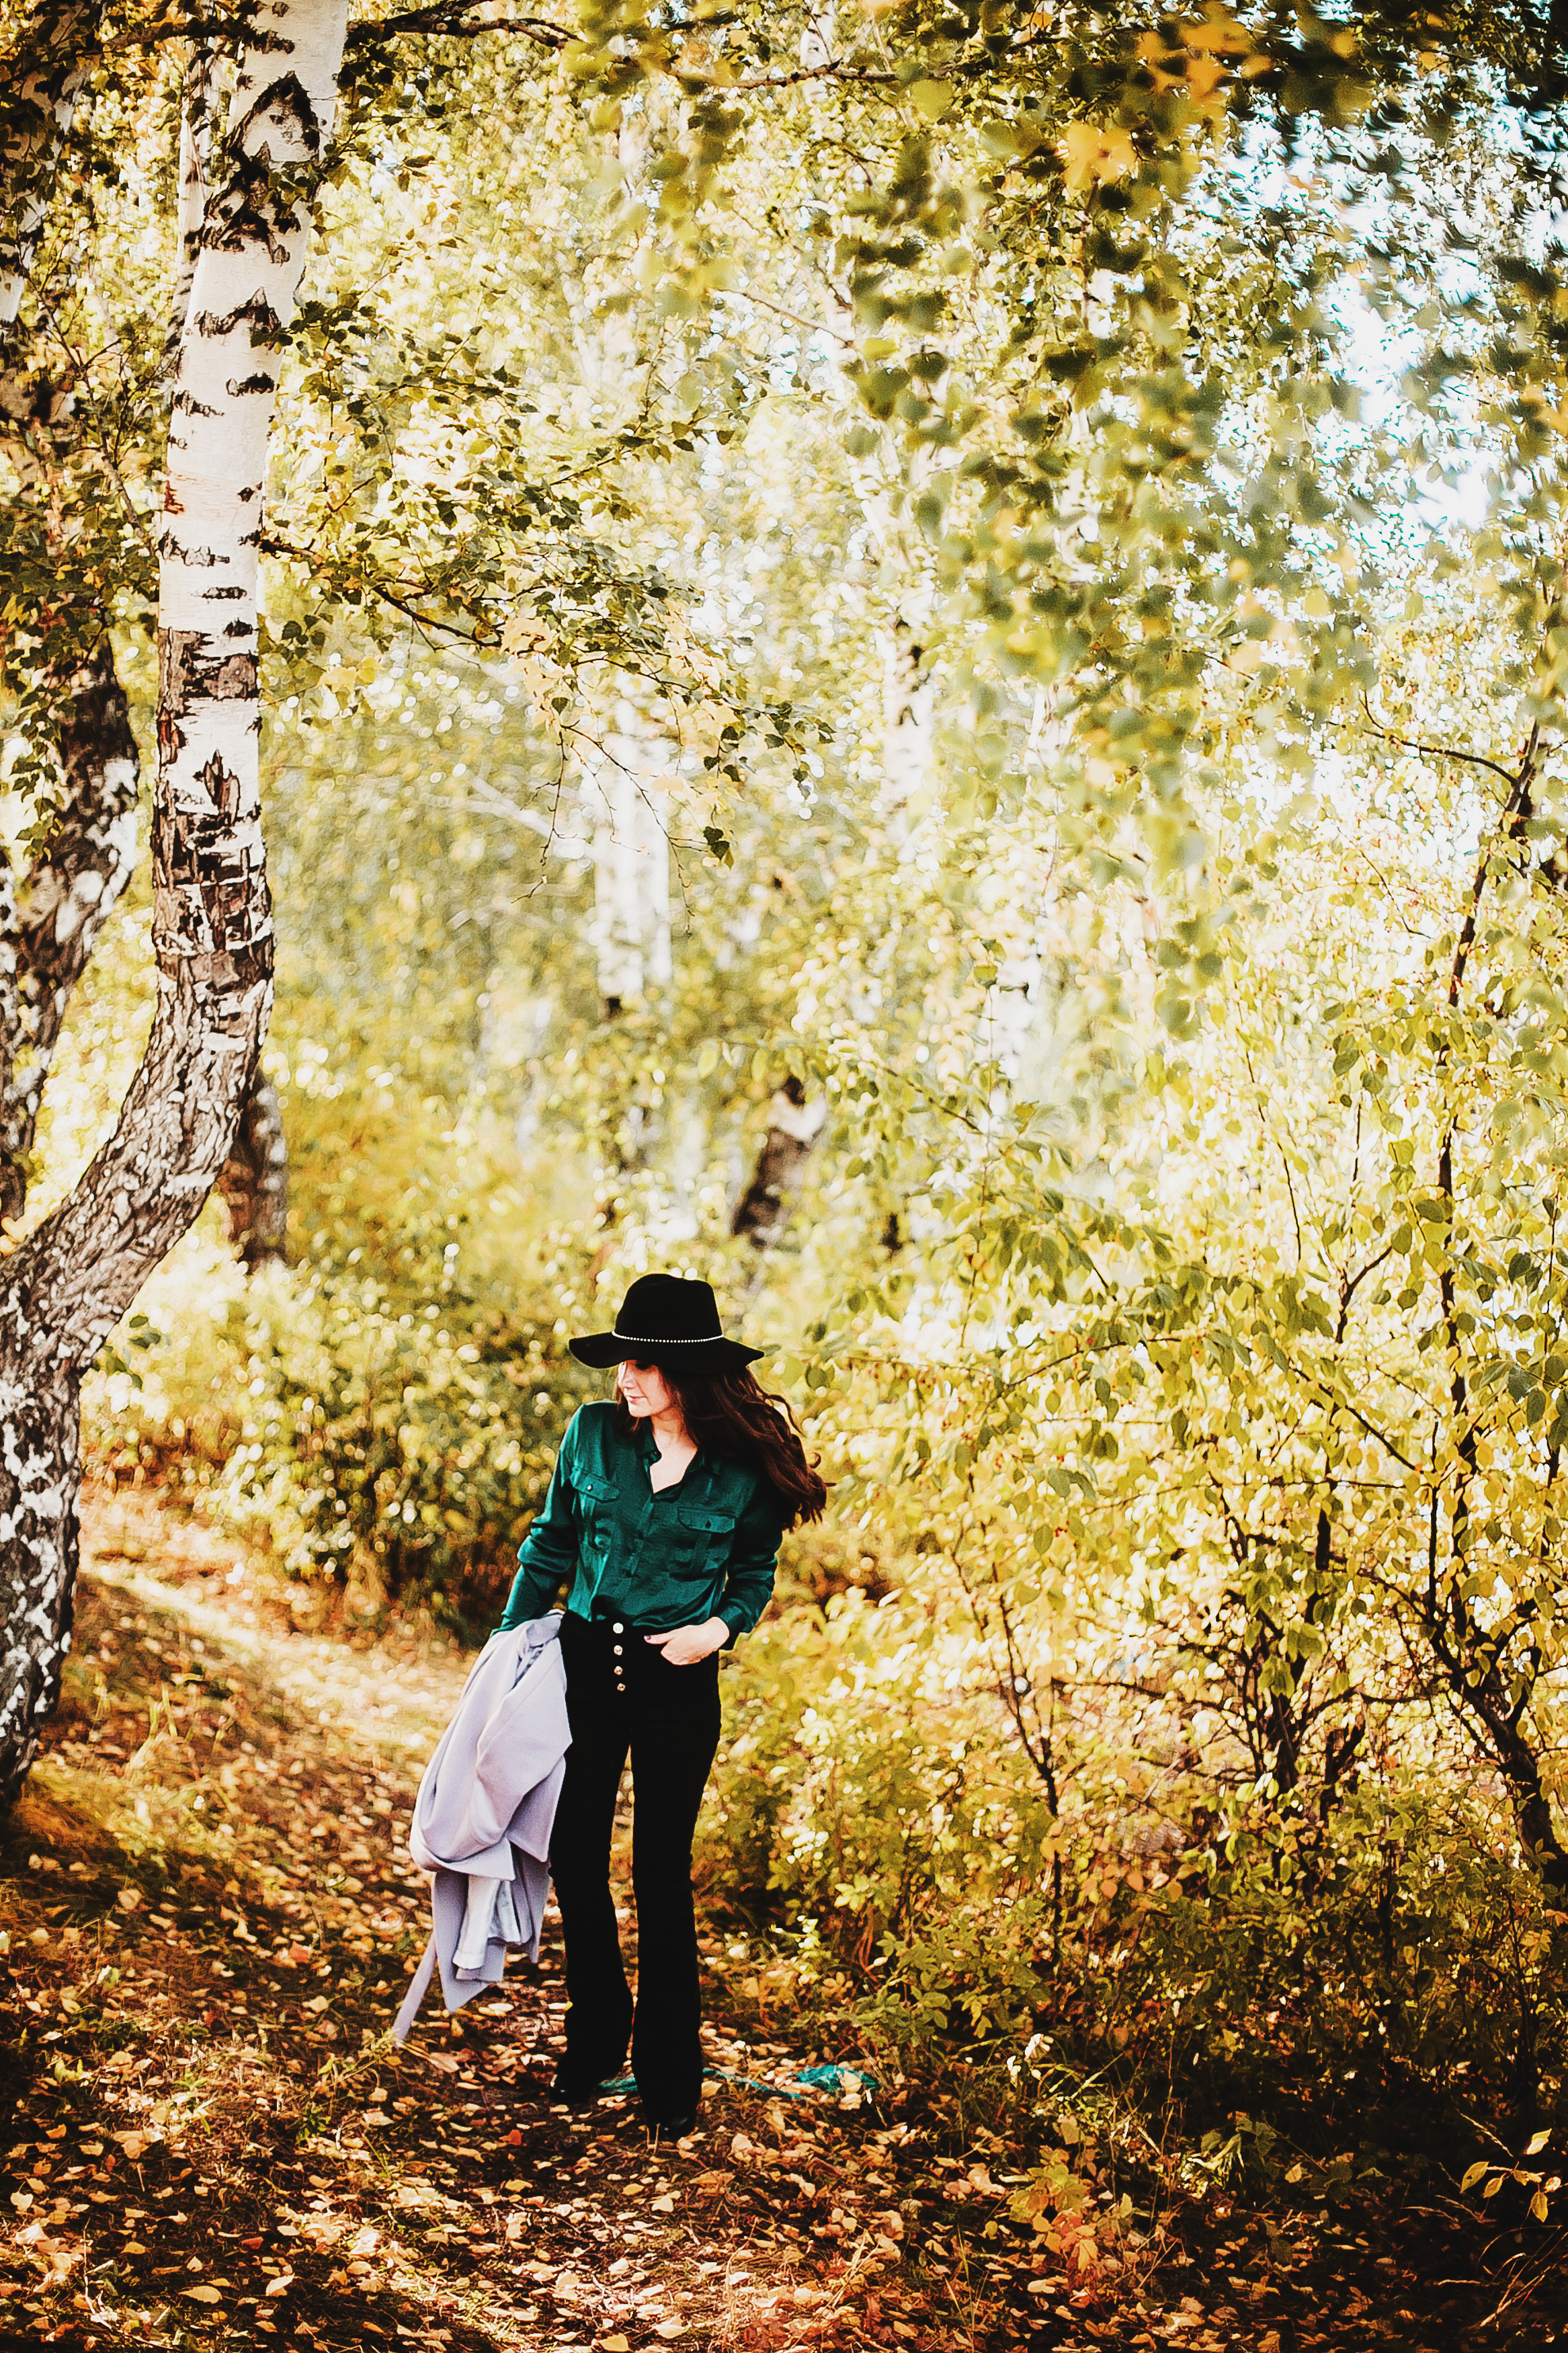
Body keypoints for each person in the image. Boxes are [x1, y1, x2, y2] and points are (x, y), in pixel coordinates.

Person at [495, 1272, 827, 2136]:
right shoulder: (594, 1435)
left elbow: (753, 1574)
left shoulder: (741, 1469)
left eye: (641, 1364)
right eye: (621, 1361)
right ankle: (596, 2039)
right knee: (574, 1853)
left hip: (677, 1682)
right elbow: (550, 1542)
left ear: (688, 1373)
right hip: (584, 1663)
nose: (624, 1379)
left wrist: (713, 1630)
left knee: (659, 1873)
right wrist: (504, 1646)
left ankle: (668, 2074)